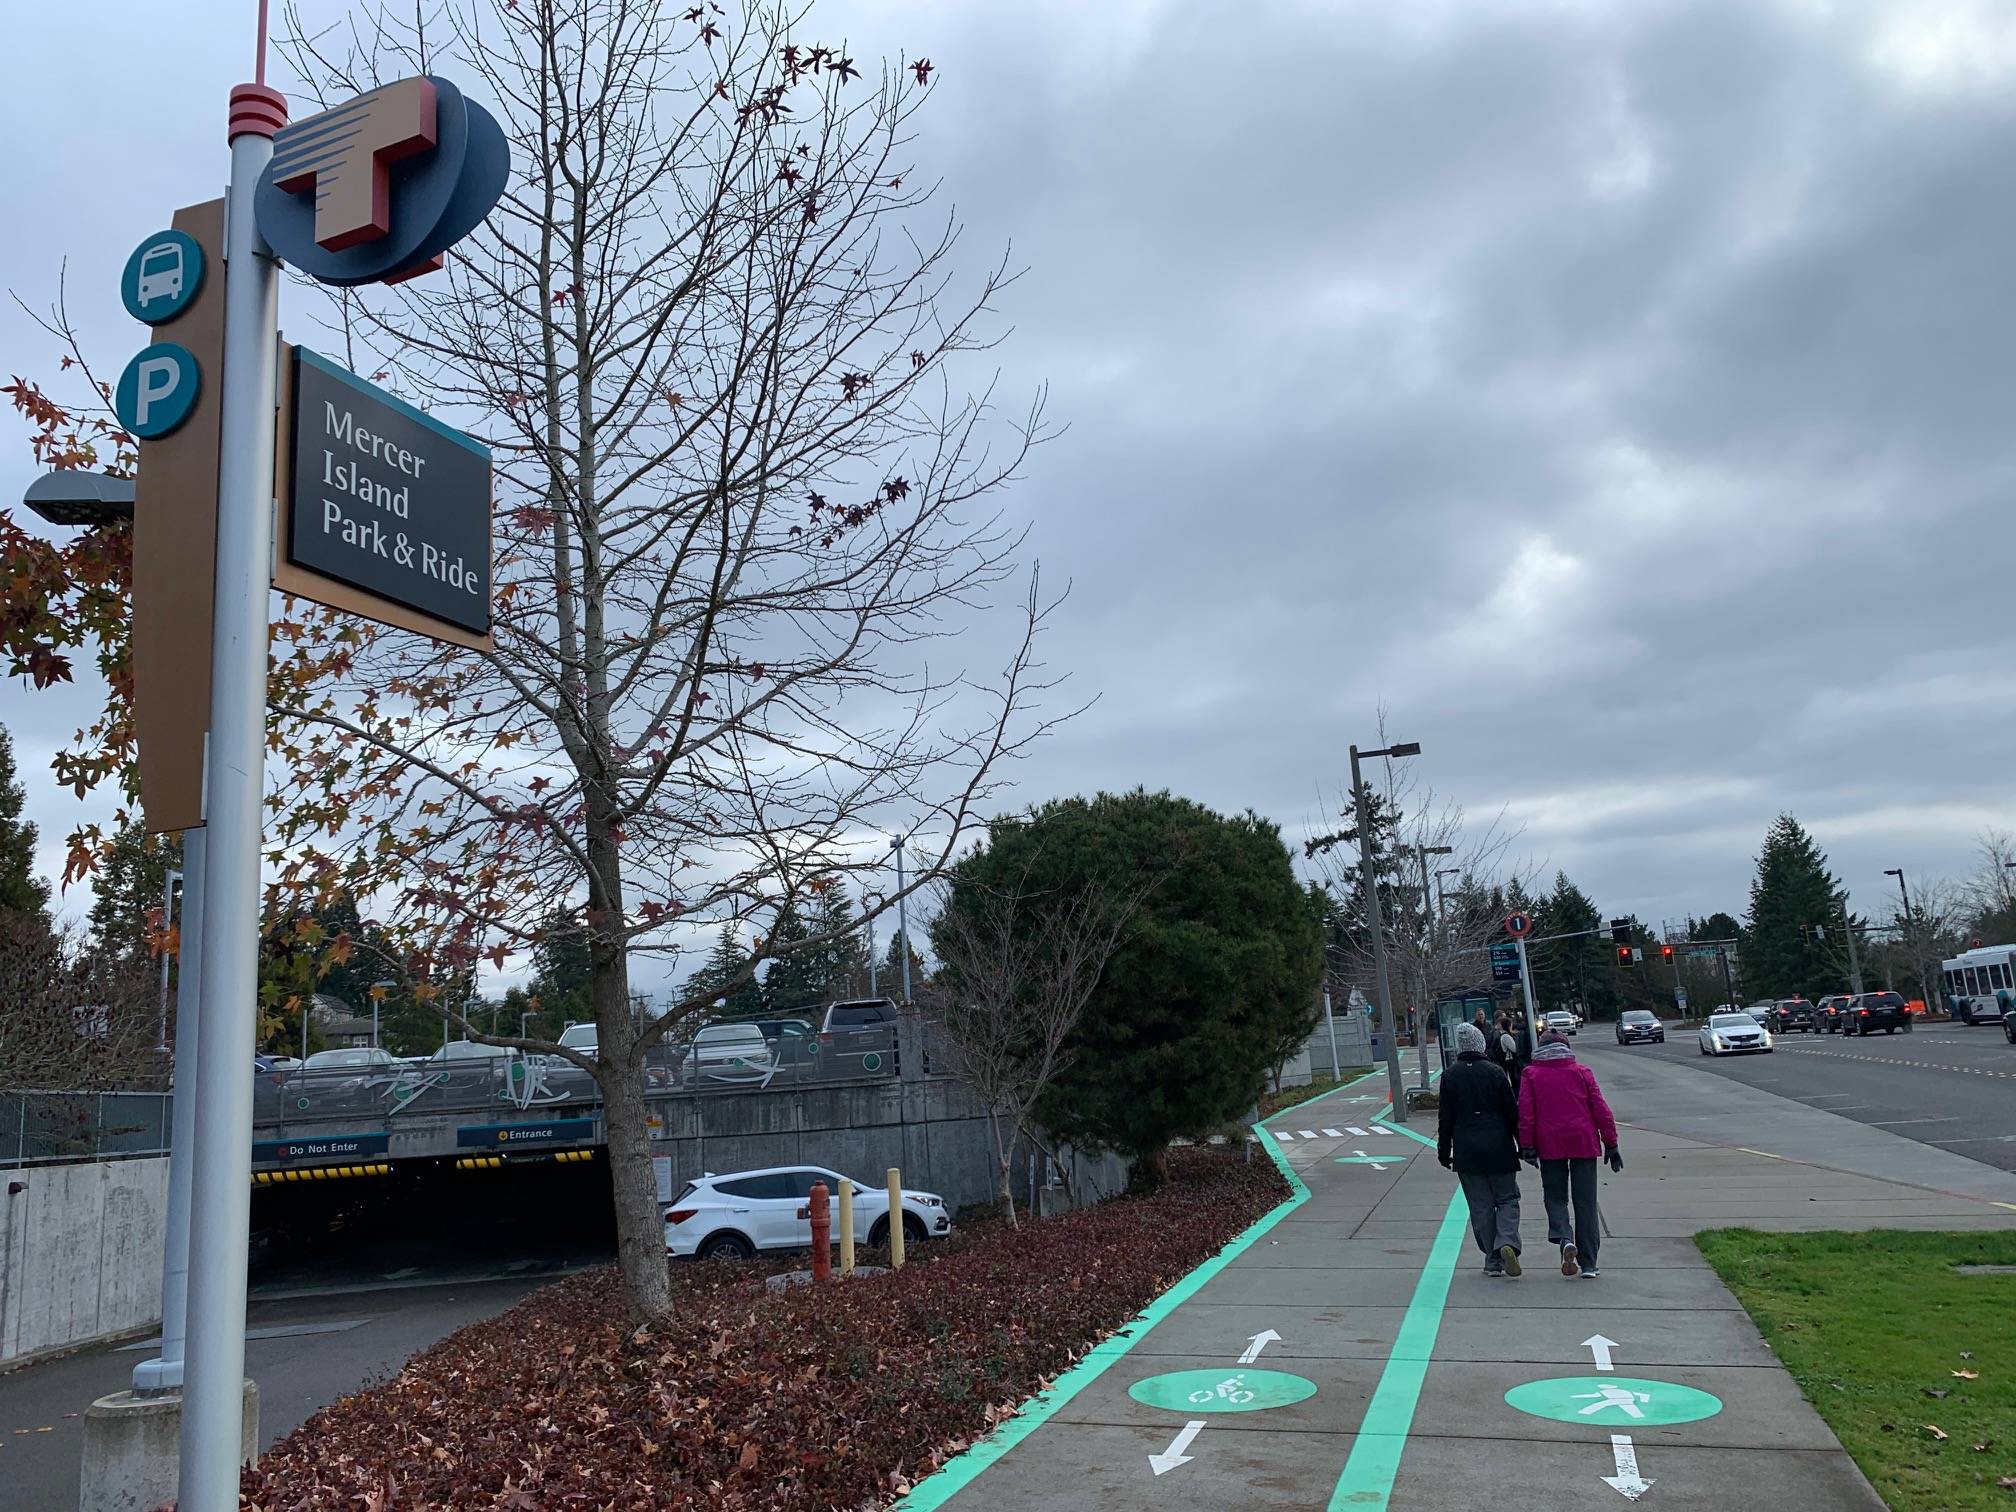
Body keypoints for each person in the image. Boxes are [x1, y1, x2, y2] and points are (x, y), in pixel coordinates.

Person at [1516, 1028, 1620, 1278]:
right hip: (1583, 1141)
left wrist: (1527, 1145)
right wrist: (1611, 1143)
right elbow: (1600, 1109)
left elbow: (1526, 1113)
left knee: (1555, 1197)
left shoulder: (1531, 1074)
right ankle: (1589, 1263)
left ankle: (1564, 1238)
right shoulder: (1582, 1073)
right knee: (1585, 1202)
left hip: (1549, 1143)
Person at [1437, 1021, 1523, 1278]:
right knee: (1507, 1198)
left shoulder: (1450, 1076)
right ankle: (1507, 1240)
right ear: (1481, 1044)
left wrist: (1444, 1151)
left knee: (1480, 1205)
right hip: (1499, 1147)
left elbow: (1445, 1119)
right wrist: (1524, 1144)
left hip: (1467, 1150)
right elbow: (1511, 1113)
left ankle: (1492, 1258)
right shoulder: (1496, 1073)